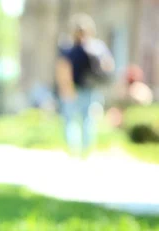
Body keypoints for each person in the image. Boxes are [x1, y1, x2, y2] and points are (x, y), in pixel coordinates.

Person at [55, 13, 114, 158]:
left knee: (71, 121)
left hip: (74, 89)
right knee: (88, 121)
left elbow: (63, 68)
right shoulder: (98, 47)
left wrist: (65, 88)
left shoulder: (69, 48)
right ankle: (86, 152)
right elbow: (109, 66)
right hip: (92, 89)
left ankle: (74, 151)